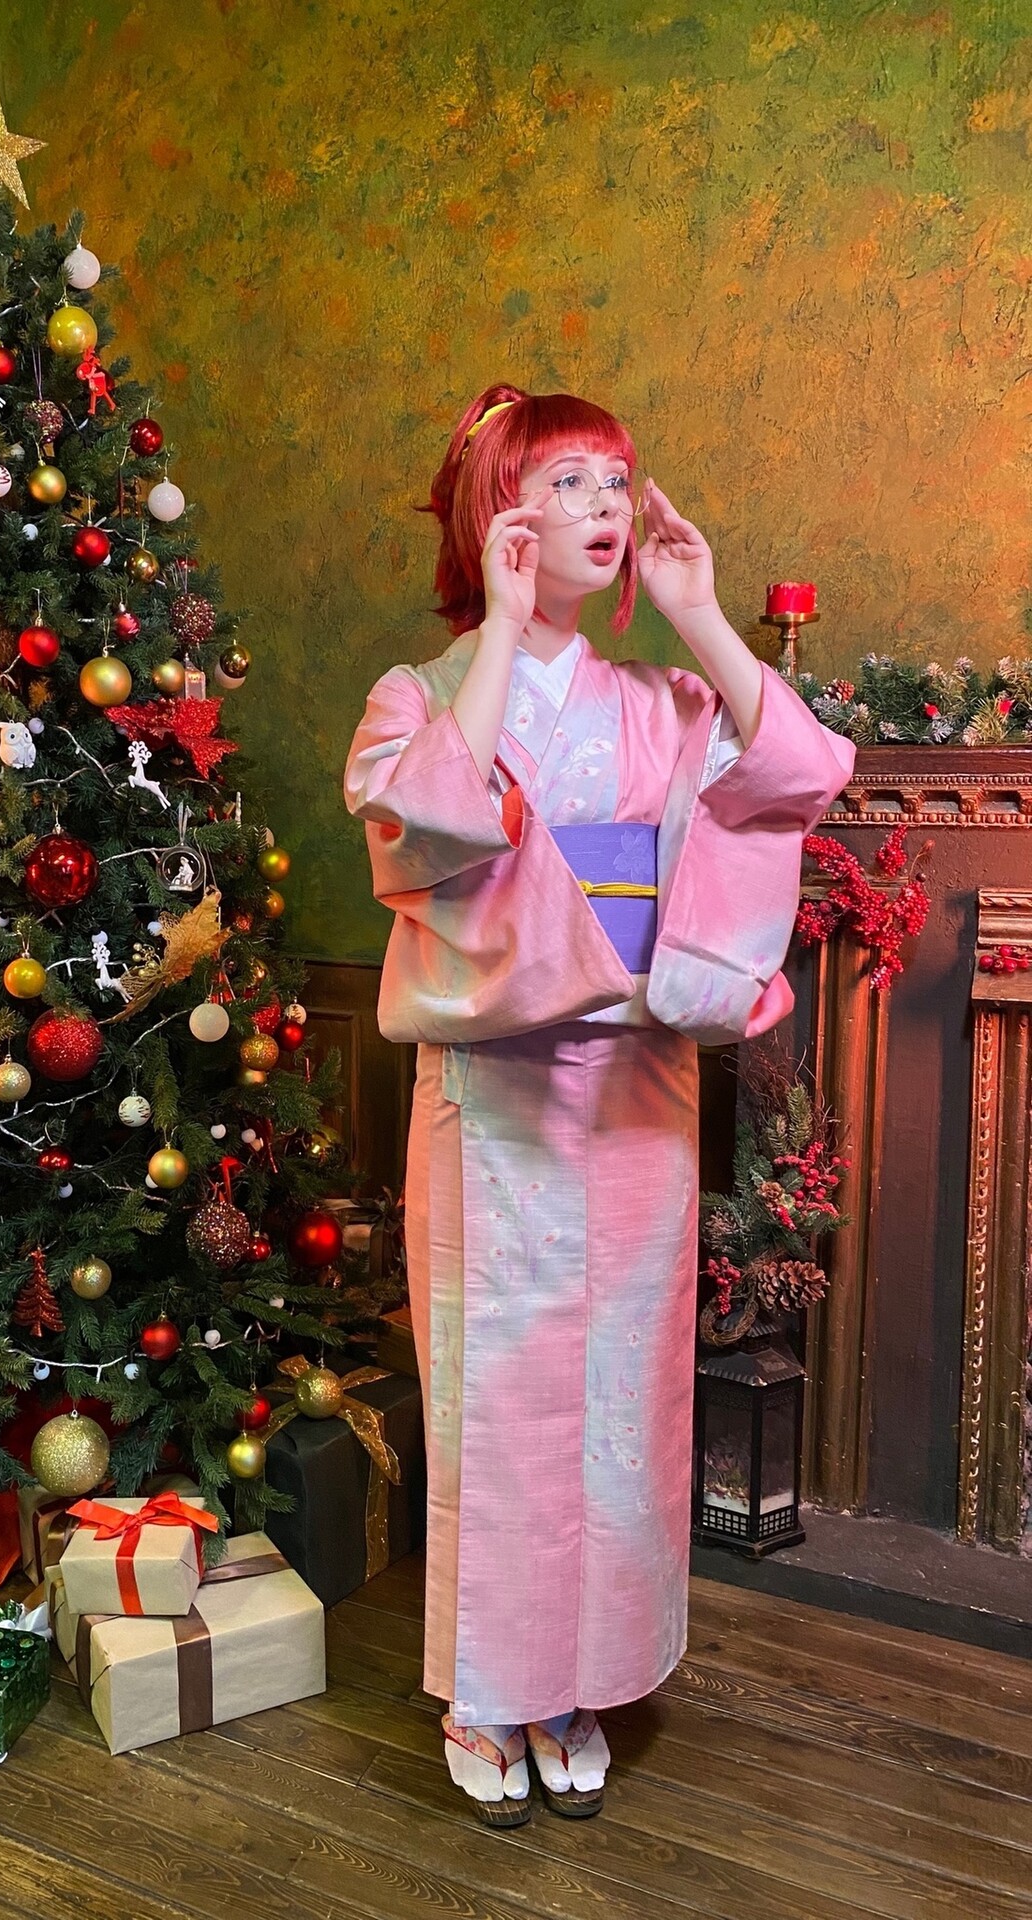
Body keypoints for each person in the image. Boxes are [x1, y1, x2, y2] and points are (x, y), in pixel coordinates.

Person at [342, 385, 855, 1829]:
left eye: (617, 482)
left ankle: (581, 1680)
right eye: (567, 481)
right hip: (494, 1095)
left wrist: (697, 615)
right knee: (497, 1402)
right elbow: (428, 829)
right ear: (495, 511)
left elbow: (800, 775)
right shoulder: (419, 693)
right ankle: (486, 1690)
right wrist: (502, 633)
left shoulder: (660, 702)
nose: (607, 510)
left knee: (624, 1400)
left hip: (634, 1089)